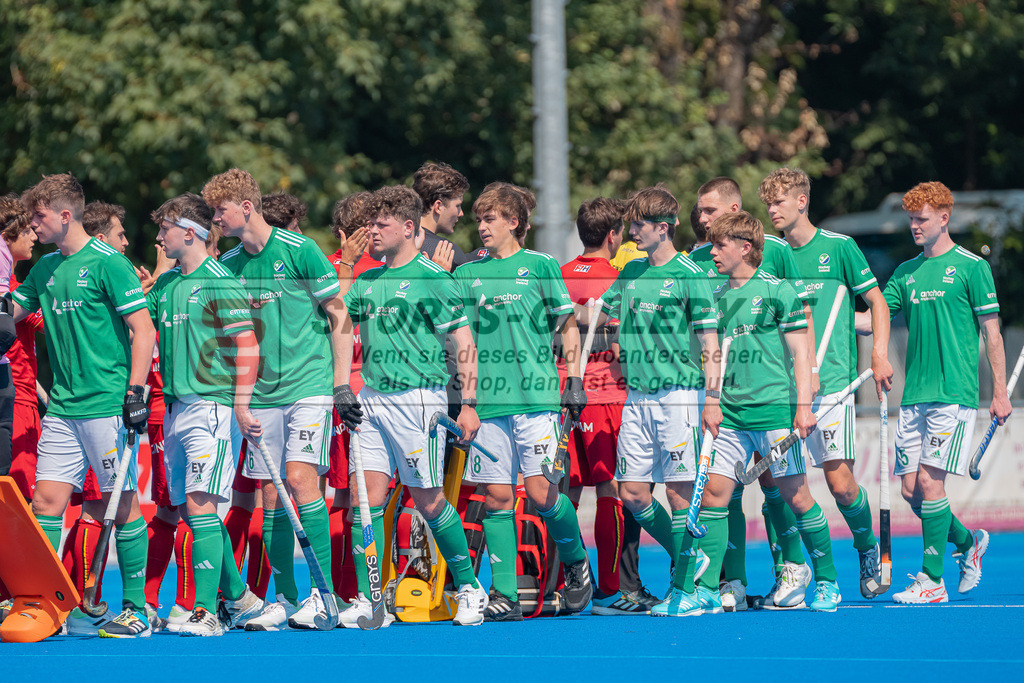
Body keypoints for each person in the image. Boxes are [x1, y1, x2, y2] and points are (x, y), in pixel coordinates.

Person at [334, 184, 488, 627]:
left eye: (381, 224)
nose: (373, 231)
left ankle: (468, 588)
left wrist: (469, 404)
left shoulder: (432, 278)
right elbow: (339, 321)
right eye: (370, 224)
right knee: (368, 499)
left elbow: (463, 342)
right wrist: (342, 386)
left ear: (407, 226)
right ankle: (371, 600)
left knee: (428, 499)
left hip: (418, 400)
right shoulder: (366, 278)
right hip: (373, 400)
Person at [12, 173, 157, 637]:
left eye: (39, 216)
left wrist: (135, 393)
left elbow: (144, 329)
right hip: (63, 410)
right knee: (46, 502)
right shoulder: (44, 268)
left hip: (108, 407)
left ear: (65, 215)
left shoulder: (108, 262)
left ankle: (136, 607)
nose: (33, 225)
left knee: (125, 505)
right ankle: (47, 601)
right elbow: (10, 313)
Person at [205, 168, 344, 629]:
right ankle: (284, 599)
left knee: (301, 481)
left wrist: (341, 384)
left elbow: (339, 315)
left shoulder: (299, 249)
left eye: (220, 211)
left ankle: (325, 597)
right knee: (271, 495)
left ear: (246, 207)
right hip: (260, 395)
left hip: (309, 386)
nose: (216, 220)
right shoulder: (228, 266)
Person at [856, 181, 1009, 603]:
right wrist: (815, 315)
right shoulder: (906, 272)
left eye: (921, 219)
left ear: (945, 218)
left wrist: (999, 391)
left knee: (929, 481)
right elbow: (874, 319)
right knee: (910, 491)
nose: (914, 226)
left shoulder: (970, 268)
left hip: (953, 393)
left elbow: (992, 334)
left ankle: (932, 580)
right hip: (914, 396)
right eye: (910, 219)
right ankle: (968, 543)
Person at [686, 210, 841, 615]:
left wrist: (803, 408)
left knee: (797, 497)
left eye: (720, 245)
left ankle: (826, 581)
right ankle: (709, 589)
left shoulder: (777, 291)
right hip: (731, 417)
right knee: (716, 498)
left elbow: (801, 352)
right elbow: (712, 355)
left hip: (773, 413)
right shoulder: (714, 295)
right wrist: (712, 399)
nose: (713, 252)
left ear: (745, 248)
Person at [454, 182, 592, 621]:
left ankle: (574, 563)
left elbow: (568, 326)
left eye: (489, 219)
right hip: (487, 403)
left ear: (513, 221)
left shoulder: (540, 265)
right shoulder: (464, 274)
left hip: (537, 400)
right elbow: (460, 338)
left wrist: (574, 380)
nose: (481, 228)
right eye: (477, 220)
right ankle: (505, 593)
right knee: (495, 498)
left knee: (542, 494)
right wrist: (467, 400)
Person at [759, 168, 894, 598]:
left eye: (778, 202)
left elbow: (876, 303)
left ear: (802, 201)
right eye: (767, 204)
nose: (772, 211)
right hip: (786, 389)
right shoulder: (775, 255)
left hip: (834, 387)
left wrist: (877, 353)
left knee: (839, 484)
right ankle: (798, 570)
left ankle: (866, 545)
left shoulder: (840, 248)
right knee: (785, 489)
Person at [145, 193, 266, 635]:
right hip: (176, 409)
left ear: (190, 232)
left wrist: (240, 403)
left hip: (212, 406)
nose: (159, 238)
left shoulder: (219, 280)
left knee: (199, 506)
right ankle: (242, 600)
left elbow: (247, 346)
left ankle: (205, 611)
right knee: (194, 510)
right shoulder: (168, 283)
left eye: (164, 230)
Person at [600, 186, 722, 616]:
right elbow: (601, 317)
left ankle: (686, 588)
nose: (631, 232)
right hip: (638, 396)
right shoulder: (630, 272)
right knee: (631, 491)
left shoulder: (691, 273)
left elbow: (710, 339)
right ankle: (693, 559)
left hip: (680, 396)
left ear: (663, 228)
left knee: (679, 493)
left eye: (638, 225)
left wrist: (712, 398)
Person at [557, 197, 635, 614]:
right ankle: (610, 588)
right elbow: (622, 348)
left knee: (562, 493)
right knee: (611, 490)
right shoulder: (619, 280)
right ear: (612, 235)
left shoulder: (559, 276)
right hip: (605, 396)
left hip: (561, 395)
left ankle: (561, 584)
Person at [325, 191, 380, 604]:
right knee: (351, 496)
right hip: (347, 397)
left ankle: (357, 588)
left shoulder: (386, 269)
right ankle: (349, 589)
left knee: (354, 496)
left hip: (368, 396)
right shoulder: (332, 270)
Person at [0, 194, 38, 499]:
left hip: (24, 395)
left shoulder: (12, 282)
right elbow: (55, 320)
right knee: (20, 496)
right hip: (17, 399)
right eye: (27, 231)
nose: (35, 236)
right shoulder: (12, 289)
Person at [412, 162, 473, 269]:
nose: (461, 213)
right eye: (458, 206)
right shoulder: (448, 254)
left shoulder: (389, 242)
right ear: (438, 207)